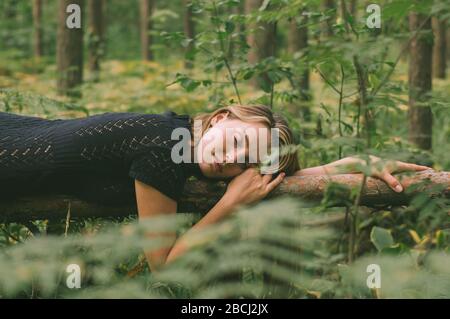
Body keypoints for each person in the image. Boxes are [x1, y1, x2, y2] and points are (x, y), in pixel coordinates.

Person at [0, 104, 429, 271]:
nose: (230, 161)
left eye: (244, 164)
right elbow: (163, 264)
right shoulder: (166, 149)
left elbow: (270, 182)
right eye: (237, 142)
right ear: (222, 117)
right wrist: (229, 205)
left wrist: (348, 166)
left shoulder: (178, 138)